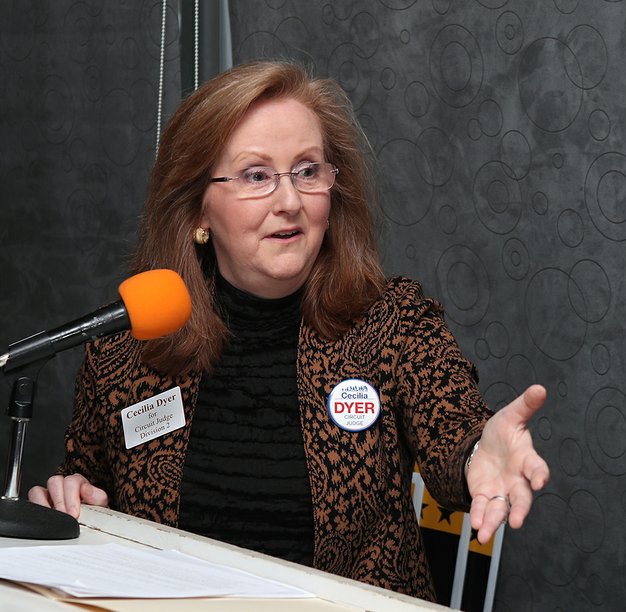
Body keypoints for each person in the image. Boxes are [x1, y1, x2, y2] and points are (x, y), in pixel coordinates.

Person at [28, 60, 549, 602]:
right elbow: (87, 488)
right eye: (256, 175)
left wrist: (475, 455)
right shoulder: (128, 341)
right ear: (198, 210)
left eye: (307, 171)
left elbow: (452, 431)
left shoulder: (392, 321)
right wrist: (68, 496)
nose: (290, 201)